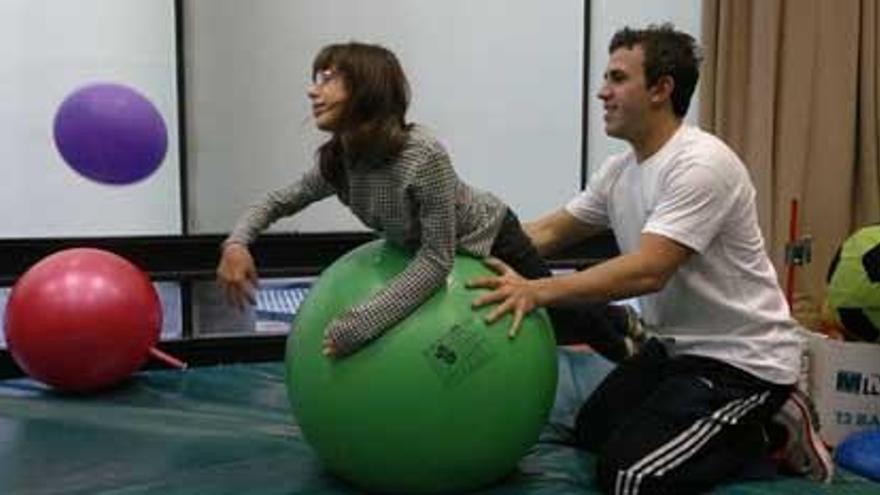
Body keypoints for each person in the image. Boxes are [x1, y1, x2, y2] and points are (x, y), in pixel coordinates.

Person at [469, 24, 834, 494]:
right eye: (605, 78)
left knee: (630, 477)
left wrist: (536, 291)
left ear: (662, 89)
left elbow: (650, 269)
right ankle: (738, 430)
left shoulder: (701, 164)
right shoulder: (620, 171)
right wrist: (472, 249)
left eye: (618, 79)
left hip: (741, 364)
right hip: (676, 349)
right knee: (592, 433)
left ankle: (769, 432)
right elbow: (550, 231)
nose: (603, 92)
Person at [216, 41, 635, 360]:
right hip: (425, 249)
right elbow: (277, 201)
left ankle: (635, 352)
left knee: (563, 318)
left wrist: (361, 324)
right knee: (566, 318)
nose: (313, 91)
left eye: (328, 78)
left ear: (365, 89)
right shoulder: (340, 161)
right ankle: (619, 322)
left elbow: (436, 260)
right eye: (315, 78)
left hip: (489, 235)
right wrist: (237, 243)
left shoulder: (420, 155)